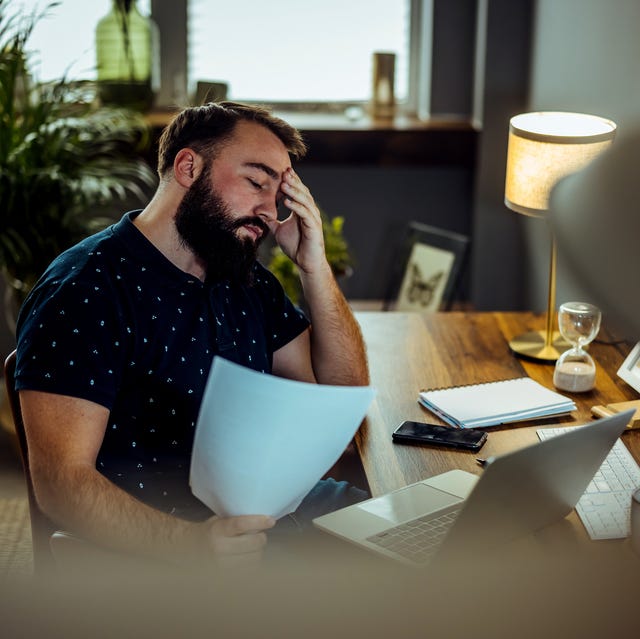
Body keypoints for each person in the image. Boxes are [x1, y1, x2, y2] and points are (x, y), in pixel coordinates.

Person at [14, 101, 370, 568]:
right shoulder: (85, 289)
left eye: (279, 193)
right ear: (188, 166)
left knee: (435, 545)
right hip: (167, 548)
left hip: (280, 512)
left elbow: (343, 411)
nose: (269, 211)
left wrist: (315, 267)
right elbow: (61, 483)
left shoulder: (244, 278)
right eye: (256, 182)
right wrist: (191, 546)